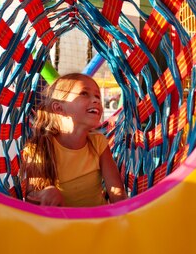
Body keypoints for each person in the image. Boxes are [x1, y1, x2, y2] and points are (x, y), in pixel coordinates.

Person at [20, 73, 127, 207]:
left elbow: (117, 192)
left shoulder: (98, 142)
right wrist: (46, 193)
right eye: (84, 93)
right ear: (59, 108)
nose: (96, 100)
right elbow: (30, 196)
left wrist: (125, 215)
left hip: (98, 220)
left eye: (97, 96)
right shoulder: (40, 147)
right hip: (62, 224)